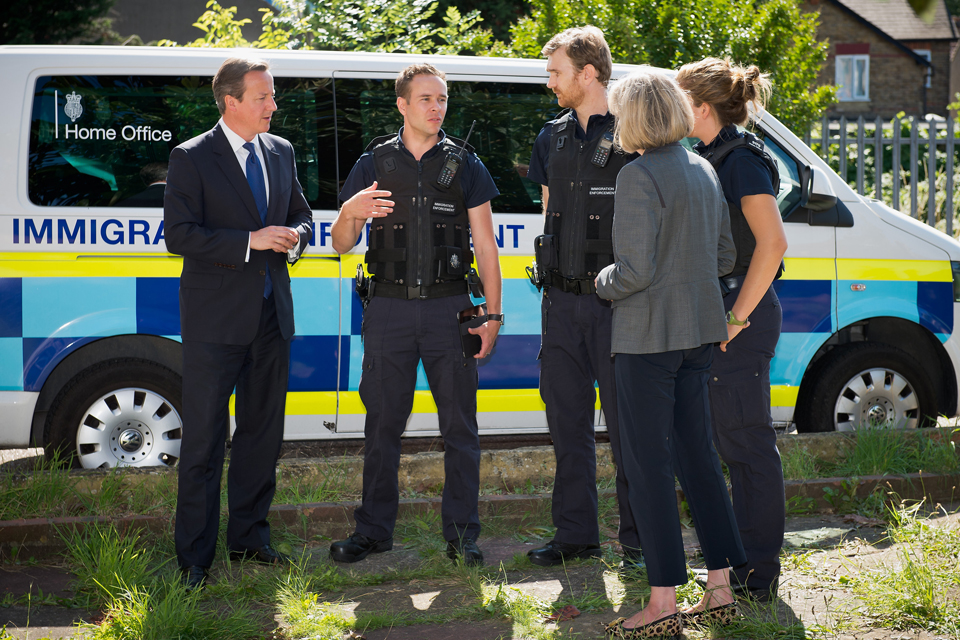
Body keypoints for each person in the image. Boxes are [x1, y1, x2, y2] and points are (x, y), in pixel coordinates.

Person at [329, 63, 502, 567]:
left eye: (442, 99)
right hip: (388, 309)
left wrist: (492, 315)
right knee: (382, 425)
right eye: (425, 99)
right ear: (403, 105)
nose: (436, 107)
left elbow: (486, 247)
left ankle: (462, 536)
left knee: (460, 429)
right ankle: (373, 532)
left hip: (452, 310)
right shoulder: (374, 163)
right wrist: (350, 212)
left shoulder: (466, 164)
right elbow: (342, 245)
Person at [595, 68, 743, 639]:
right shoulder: (703, 167)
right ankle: (721, 586)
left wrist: (598, 281)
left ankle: (661, 602)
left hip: (646, 339)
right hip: (698, 334)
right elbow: (726, 255)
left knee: (648, 466)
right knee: (699, 457)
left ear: (631, 117)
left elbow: (632, 273)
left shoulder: (637, 176)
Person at [164, 57, 313, 590]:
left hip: (272, 319)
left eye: (272, 96)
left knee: (261, 437)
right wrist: (249, 242)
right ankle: (195, 559)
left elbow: (302, 214)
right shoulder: (191, 157)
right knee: (204, 442)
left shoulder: (281, 151)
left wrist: (295, 236)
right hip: (214, 324)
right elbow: (178, 235)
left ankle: (250, 540)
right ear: (231, 102)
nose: (273, 106)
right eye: (264, 97)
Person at [525, 26, 644, 570]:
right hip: (562, 305)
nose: (550, 82)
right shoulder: (550, 137)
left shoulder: (633, 131)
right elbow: (551, 213)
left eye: (556, 72)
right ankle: (576, 536)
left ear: (588, 73)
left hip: (619, 304)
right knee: (567, 426)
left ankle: (640, 542)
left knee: (629, 429)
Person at [677, 57, 788, 603]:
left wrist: (736, 319)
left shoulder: (740, 158)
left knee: (745, 444)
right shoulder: (709, 155)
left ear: (700, 107)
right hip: (719, 310)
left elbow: (773, 244)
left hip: (739, 313)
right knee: (728, 441)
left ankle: (758, 572)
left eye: (681, 101)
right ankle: (740, 559)